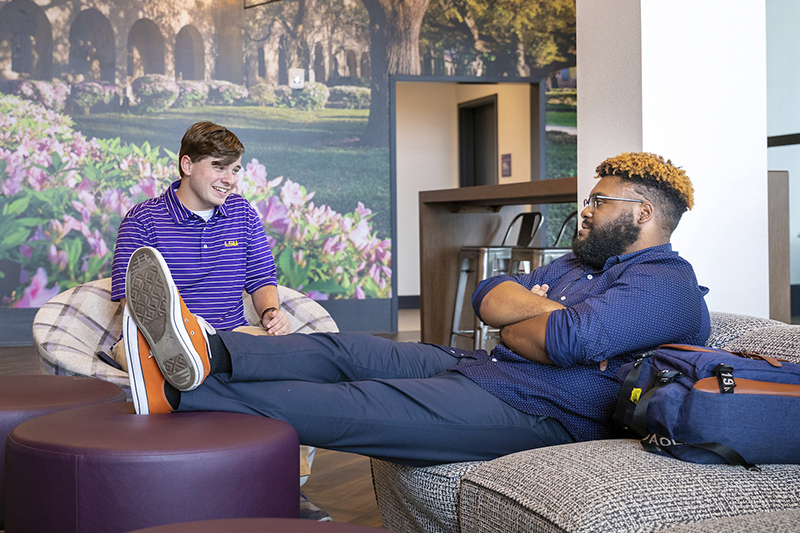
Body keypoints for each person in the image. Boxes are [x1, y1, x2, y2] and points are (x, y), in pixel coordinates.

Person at [123, 152, 710, 467]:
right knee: (345, 349)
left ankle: (176, 390)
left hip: (541, 412)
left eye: (599, 201)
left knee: (349, 404)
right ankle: (205, 347)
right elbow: (490, 297)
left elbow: (565, 342)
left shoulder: (667, 284)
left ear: (643, 214)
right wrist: (532, 315)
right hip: (480, 367)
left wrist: (528, 322)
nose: (585, 210)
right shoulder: (583, 267)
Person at [111, 121, 328, 520]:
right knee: (136, 348)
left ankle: (288, 489)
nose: (229, 179)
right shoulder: (143, 219)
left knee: (288, 371)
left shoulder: (242, 213)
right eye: (219, 167)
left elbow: (261, 277)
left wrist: (270, 312)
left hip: (228, 333)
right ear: (187, 164)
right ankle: (183, 353)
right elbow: (130, 300)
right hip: (157, 336)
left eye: (236, 169)